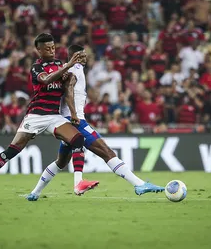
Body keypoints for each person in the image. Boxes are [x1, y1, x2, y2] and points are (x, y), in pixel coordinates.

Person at [27, 45, 165, 201]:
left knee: (61, 161)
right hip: (75, 120)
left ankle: (35, 193)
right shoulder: (75, 68)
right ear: (75, 56)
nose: (86, 57)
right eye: (83, 55)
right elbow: (68, 92)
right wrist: (74, 115)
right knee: (107, 152)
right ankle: (139, 184)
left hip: (66, 120)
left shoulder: (68, 69)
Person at [0, 33, 85, 203]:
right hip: (36, 115)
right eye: (47, 48)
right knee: (12, 151)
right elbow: (46, 81)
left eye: (53, 47)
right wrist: (68, 65)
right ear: (39, 50)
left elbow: (67, 89)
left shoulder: (60, 65)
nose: (52, 50)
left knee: (78, 139)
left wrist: (74, 111)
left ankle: (78, 183)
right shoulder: (36, 67)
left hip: (54, 116)